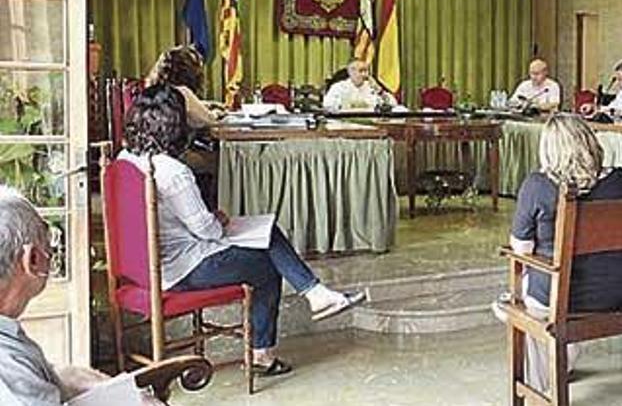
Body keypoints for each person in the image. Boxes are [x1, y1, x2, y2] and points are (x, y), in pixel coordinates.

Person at [119, 84, 366, 377]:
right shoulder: (173, 172)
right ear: (175, 123)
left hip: (145, 267)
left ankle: (315, 294)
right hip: (181, 269)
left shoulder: (125, 160)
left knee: (267, 235)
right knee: (267, 261)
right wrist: (218, 221)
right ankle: (266, 350)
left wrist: (210, 219)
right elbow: (207, 232)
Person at [501, 114, 622, 390]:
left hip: (559, 295)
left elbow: (522, 248)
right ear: (589, 142)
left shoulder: (538, 185)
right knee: (536, 292)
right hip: (615, 287)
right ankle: (563, 358)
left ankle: (539, 388)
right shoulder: (619, 179)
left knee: (524, 297)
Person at [0, 187, 165, 405]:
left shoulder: (9, 339)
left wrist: (119, 391)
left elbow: (52, 374)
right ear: (32, 259)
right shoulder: (9, 369)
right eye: (49, 240)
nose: (52, 250)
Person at [145, 45, 221, 128]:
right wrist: (216, 113)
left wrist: (203, 105)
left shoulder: (152, 92)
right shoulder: (183, 93)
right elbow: (210, 120)